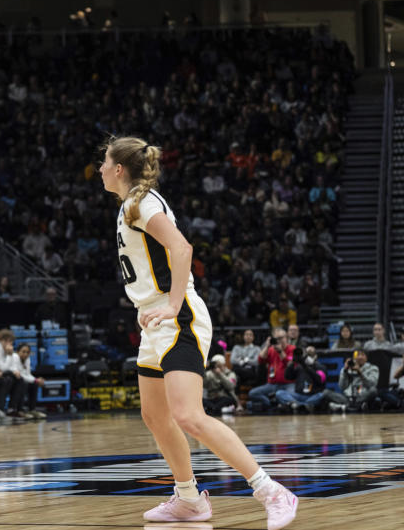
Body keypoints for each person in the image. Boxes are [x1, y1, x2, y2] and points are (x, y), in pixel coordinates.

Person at [99, 136, 297, 530]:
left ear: (119, 168)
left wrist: (171, 304)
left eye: (104, 161)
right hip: (155, 318)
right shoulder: (131, 205)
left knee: (188, 415)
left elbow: (182, 249)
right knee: (155, 415)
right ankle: (188, 499)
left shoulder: (144, 203)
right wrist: (151, 306)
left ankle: (271, 490)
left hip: (179, 316)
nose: (100, 168)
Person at [248, 328, 295, 411]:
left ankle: (283, 403)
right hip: (272, 384)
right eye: (276, 339)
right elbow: (260, 360)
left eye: (281, 338)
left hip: (288, 384)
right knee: (253, 393)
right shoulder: (271, 350)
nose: (279, 341)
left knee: (289, 395)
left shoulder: (292, 349)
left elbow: (289, 364)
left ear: (286, 338)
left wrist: (280, 351)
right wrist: (267, 345)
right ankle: (271, 404)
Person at [274, 346, 325, 413]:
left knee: (322, 395)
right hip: (298, 395)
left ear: (315, 356)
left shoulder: (320, 367)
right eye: (307, 354)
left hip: (312, 396)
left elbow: (320, 380)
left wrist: (306, 366)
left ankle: (298, 405)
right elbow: (287, 377)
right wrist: (292, 362)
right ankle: (300, 405)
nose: (308, 357)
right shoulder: (299, 366)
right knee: (279, 393)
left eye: (311, 354)